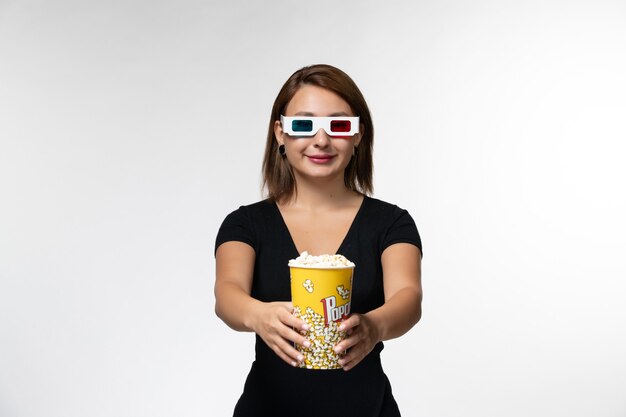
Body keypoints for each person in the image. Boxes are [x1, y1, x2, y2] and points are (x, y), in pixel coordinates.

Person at [214, 64, 422, 417]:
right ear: (280, 133)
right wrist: (257, 314)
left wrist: (374, 327)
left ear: (358, 135)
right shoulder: (246, 224)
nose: (321, 140)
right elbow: (227, 293)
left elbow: (409, 298)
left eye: (339, 125)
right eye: (303, 124)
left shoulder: (391, 223)